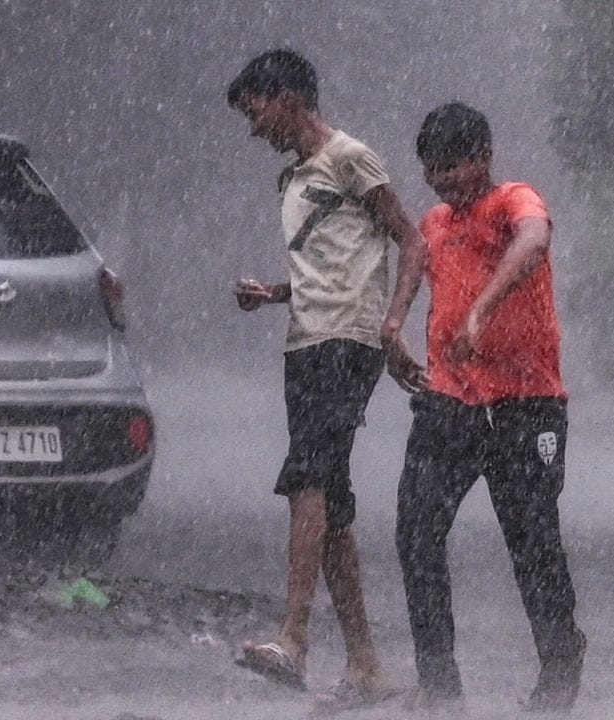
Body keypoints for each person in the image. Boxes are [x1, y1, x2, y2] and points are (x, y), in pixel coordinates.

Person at [225, 48, 429, 709]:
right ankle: (366, 662)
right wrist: (276, 293)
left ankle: (295, 637)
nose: (253, 127)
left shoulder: (350, 156)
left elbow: (411, 238)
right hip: (306, 341)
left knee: (307, 475)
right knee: (332, 502)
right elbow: (331, 261)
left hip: (348, 342)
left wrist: (394, 324)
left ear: (287, 97)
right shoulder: (292, 181)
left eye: (255, 110)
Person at [391, 102, 586, 711]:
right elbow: (409, 263)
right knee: (416, 534)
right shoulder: (433, 221)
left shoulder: (514, 202)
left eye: (453, 167)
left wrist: (483, 308)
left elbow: (534, 239)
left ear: (483, 157)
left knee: (531, 542)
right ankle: (438, 686)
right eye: (432, 171)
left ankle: (559, 666)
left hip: (526, 407)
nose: (443, 181)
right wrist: (392, 326)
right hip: (448, 402)